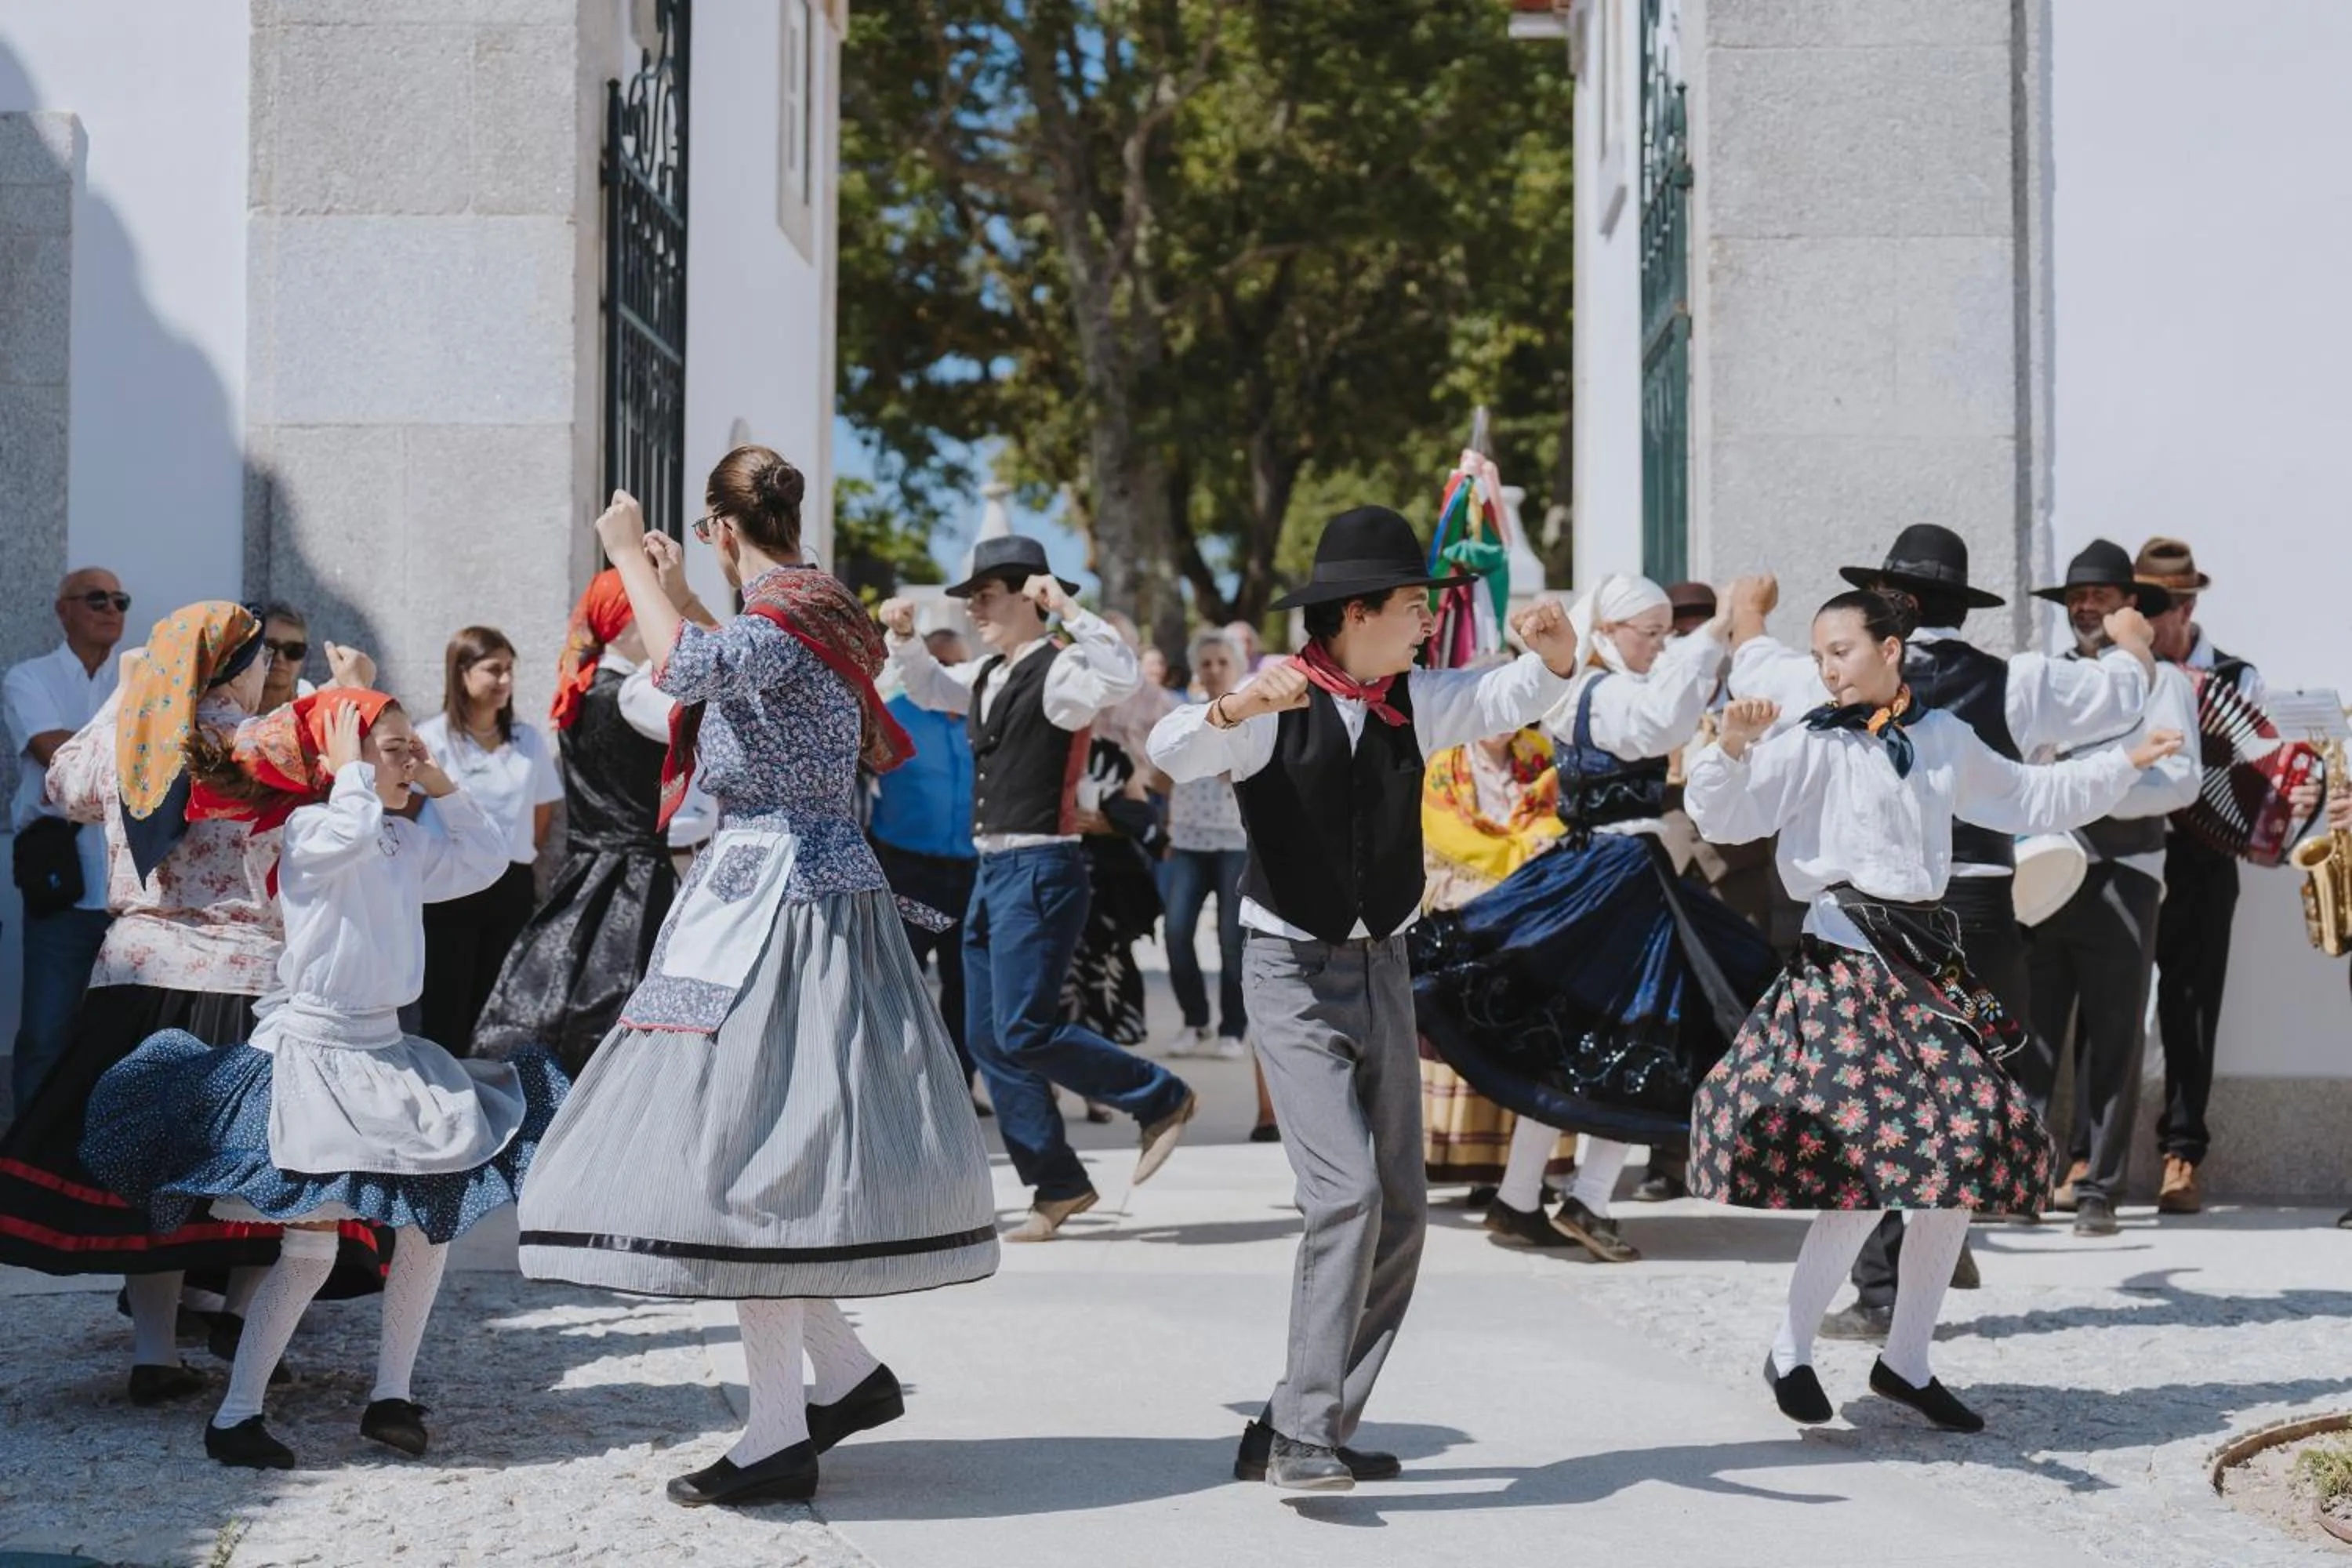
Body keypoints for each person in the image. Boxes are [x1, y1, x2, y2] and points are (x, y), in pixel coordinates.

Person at [518, 452, 998, 1509]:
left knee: (738, 1159)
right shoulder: (820, 609)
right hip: (806, 890)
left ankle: (780, 1431)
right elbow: (728, 652)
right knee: (752, 1154)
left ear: (721, 526)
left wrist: (624, 563)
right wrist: (682, 587)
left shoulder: (779, 624)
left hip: (770, 896)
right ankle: (844, 1376)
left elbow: (684, 673)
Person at [1150, 504, 1588, 1490]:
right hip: (1289, 978)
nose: (1428, 621)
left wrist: (1558, 657)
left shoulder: (1412, 698)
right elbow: (1177, 748)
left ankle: (1304, 1420)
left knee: (1400, 1207)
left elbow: (1503, 697)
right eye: (1412, 606)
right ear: (1356, 612)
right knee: (1342, 1191)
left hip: (1385, 966)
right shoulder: (1277, 703)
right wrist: (1231, 710)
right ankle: (1306, 1434)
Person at [1686, 589, 2181, 1434]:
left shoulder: (1945, 738)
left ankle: (1906, 1358)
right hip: (1844, 969)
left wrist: (2125, 762)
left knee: (1958, 1164)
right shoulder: (1809, 739)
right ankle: (1789, 1345)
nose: (1827, 667)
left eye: (1841, 649)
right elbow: (1727, 812)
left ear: (1892, 648)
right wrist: (1727, 746)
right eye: (1819, 655)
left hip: (1926, 974)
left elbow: (2031, 796)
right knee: (1862, 1176)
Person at [82, 691, 564, 1468]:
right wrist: (348, 772)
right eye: (396, 747)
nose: (410, 758)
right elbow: (343, 828)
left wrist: (439, 782)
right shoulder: (307, 829)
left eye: (414, 746)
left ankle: (392, 1394)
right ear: (339, 764)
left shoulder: (399, 839)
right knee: (307, 1249)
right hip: (314, 1054)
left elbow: (484, 858)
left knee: (427, 1220)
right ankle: (236, 1413)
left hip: (385, 1051)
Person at [0, 605, 385, 1402]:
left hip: (136, 971)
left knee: (149, 1171)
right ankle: (246, 1320)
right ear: (236, 663)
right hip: (246, 977)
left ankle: (153, 1352)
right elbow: (353, 783)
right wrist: (353, 692)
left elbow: (60, 781)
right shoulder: (263, 738)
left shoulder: (130, 737)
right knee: (266, 1166)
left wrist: (132, 692)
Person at [1413, 575, 1774, 1264]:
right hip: (1620, 876)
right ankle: (1587, 1198)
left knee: (1583, 1040)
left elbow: (1669, 724)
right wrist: (1722, 627)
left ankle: (1522, 1200)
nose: (1661, 645)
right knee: (1641, 1029)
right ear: (1607, 631)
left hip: (1608, 871)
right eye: (1651, 633)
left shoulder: (1595, 687)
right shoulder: (1599, 692)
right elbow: (1661, 723)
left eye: (1667, 633)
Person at [880, 536, 1197, 1243]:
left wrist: (1070, 613)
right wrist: (904, 641)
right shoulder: (990, 673)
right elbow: (932, 688)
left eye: (987, 595)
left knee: (1022, 1027)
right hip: (992, 871)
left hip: (1043, 870)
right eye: (971, 599)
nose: (975, 609)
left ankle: (1161, 1097)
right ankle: (1056, 1184)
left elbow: (1121, 680)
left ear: (1032, 595)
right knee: (987, 1036)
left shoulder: (1065, 673)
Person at [2020, 542, 2200, 1237]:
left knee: (2115, 1036)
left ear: (2130, 605)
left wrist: (2089, 784)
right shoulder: (2046, 681)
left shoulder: (2167, 684)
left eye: (2099, 596)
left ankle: (2098, 1188)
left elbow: (2179, 783)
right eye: (2077, 597)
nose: (2086, 607)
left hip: (2125, 876)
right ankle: (2027, 1179)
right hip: (2043, 871)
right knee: (2031, 1032)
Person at [471, 567, 706, 1073]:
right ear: (627, 621)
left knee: (569, 1007)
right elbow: (714, 718)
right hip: (636, 881)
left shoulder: (588, 688)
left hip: (588, 874)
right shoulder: (635, 692)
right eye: (653, 606)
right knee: (627, 1015)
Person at [2136, 537, 2262, 1216]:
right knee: (2106, 1007)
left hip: (2202, 859)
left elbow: (2257, 772)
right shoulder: (2119, 672)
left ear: (2184, 606)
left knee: (2191, 1004)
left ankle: (2182, 1153)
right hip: (2126, 853)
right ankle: (2079, 1157)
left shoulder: (2237, 677)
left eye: (2154, 605)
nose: (2143, 617)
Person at [1415, 723, 1573, 1196]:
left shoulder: (1540, 760)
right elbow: (1430, 851)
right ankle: (1477, 1165)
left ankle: (1526, 1171)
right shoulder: (1443, 768)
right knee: (1473, 1041)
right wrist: (1486, 895)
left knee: (1530, 1042)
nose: (1501, 724)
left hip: (1530, 924)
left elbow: (1558, 826)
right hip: (1467, 920)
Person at [412, 627, 564, 1054]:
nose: (505, 681)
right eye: (493, 670)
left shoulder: (527, 740)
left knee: (498, 1007)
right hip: (448, 887)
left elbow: (542, 812)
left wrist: (509, 859)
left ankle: (493, 1101)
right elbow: (406, 811)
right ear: (462, 673)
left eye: (509, 670)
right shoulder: (433, 739)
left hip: (509, 885)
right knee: (447, 1004)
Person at [6, 568, 126, 1109]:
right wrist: (130, 754)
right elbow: (50, 751)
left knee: (118, 1040)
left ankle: (91, 1162)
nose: (110, 608)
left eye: (119, 600)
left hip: (130, 890)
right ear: (63, 610)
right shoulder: (28, 678)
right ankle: (25, 1158)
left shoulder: (134, 681)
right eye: (96, 598)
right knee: (45, 1034)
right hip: (63, 882)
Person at [869, 627, 982, 1096]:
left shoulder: (982, 723)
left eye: (957, 666)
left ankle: (958, 1088)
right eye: (939, 664)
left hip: (971, 876)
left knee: (967, 985)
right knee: (901, 979)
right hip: (907, 873)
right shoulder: (891, 719)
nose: (947, 674)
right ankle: (895, 1088)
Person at [1160, 629, 1251, 1058]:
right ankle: (1195, 1020)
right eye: (1207, 662)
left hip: (1236, 842)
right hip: (1187, 841)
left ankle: (1233, 1027)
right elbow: (1162, 774)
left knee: (1232, 941)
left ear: (1238, 667)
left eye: (1222, 662)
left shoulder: (1256, 717)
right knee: (1176, 932)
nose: (1214, 670)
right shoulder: (1183, 716)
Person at [256, 604, 315, 714]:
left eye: (294, 649)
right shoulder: (228, 711)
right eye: (270, 646)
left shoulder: (314, 711)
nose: (280, 658)